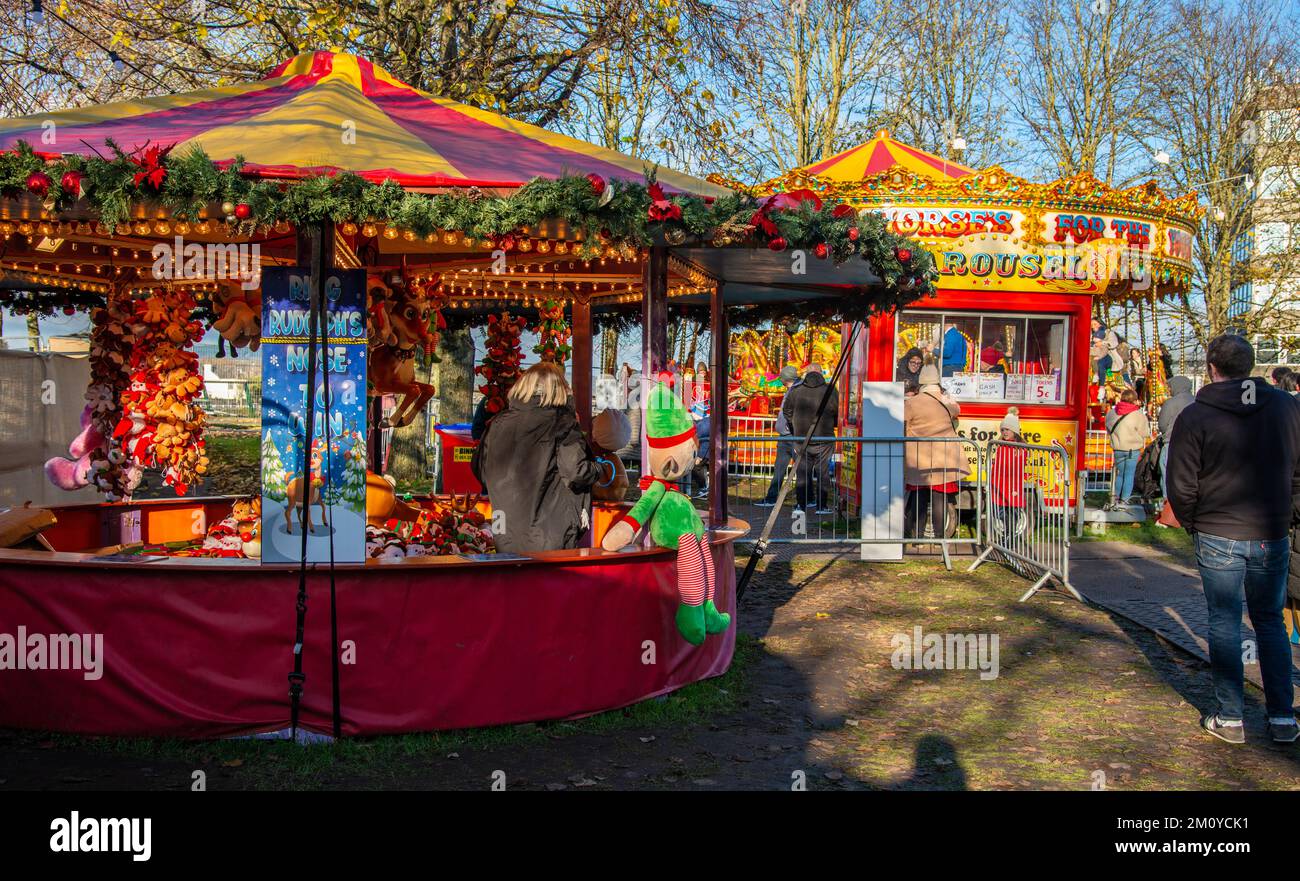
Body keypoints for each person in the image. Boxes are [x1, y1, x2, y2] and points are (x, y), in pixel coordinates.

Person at [1167, 333, 1300, 745]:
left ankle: (1231, 716)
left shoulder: (1196, 415)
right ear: (1250, 366)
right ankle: (1281, 715)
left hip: (1218, 528)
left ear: (1211, 368)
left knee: (1224, 623)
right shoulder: (1285, 407)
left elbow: (1181, 482)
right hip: (1268, 528)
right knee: (1270, 621)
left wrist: (1195, 522)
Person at [471, 362, 612, 554]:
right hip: (551, 532)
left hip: (503, 529)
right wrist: (601, 468)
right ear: (561, 390)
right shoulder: (562, 422)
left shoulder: (497, 423)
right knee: (550, 581)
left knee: (512, 579)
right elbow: (576, 471)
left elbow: (480, 470)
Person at [903, 365, 965, 539]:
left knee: (919, 497)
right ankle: (940, 539)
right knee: (939, 498)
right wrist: (948, 398)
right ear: (937, 381)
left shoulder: (913, 402)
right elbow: (957, 410)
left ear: (921, 381)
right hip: (942, 455)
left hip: (919, 456)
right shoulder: (945, 400)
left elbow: (903, 419)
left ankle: (918, 537)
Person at [781, 363, 838, 513]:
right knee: (823, 472)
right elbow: (836, 410)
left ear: (806, 373)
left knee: (802, 472)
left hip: (801, 438)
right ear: (821, 373)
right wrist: (832, 424)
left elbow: (786, 411)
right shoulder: (830, 391)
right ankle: (821, 505)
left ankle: (801, 505)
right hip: (824, 437)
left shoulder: (796, 391)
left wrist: (795, 427)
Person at [757, 365, 802, 507]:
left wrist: (792, 428)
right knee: (779, 468)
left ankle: (805, 500)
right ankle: (771, 497)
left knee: (800, 469)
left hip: (792, 436)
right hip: (785, 435)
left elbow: (794, 413)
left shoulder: (797, 391)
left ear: (785, 378)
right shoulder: (791, 390)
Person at [1104, 388, 1151, 508]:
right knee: (1129, 474)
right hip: (1132, 448)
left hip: (1118, 448)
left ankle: (1116, 497)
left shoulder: (1112, 413)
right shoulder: (1137, 415)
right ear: (1134, 400)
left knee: (1120, 474)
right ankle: (1124, 500)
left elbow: (1108, 429)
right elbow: (1145, 432)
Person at [989, 407, 1027, 539]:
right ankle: (1008, 534)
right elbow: (996, 466)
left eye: (1007, 429)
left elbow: (1018, 466)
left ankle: (1010, 536)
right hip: (999, 484)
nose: (1005, 432)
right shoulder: (1000, 445)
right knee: (997, 511)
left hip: (1012, 486)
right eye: (1003, 430)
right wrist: (990, 482)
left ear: (1015, 431)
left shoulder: (1019, 448)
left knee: (1012, 512)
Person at [1156, 375, 1194, 497]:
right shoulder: (1197, 401)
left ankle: (1168, 505)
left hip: (1171, 443)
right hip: (1192, 445)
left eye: (1170, 387)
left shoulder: (1170, 403)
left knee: (1168, 475)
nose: (1169, 390)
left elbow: (1162, 424)